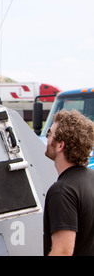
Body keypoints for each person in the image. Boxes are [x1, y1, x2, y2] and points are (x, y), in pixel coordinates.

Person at [43, 109, 94, 256]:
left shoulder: (62, 192)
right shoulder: (91, 178)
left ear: (60, 145)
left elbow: (63, 252)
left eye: (50, 134)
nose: (47, 139)